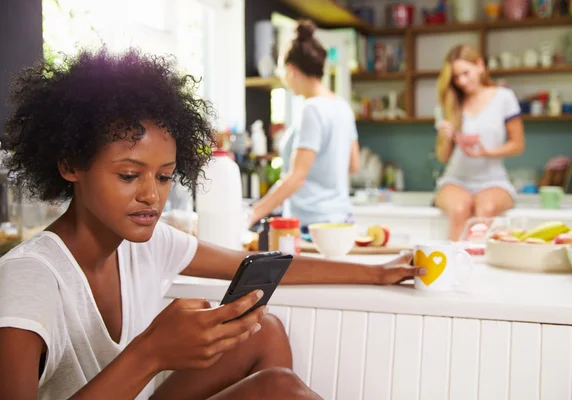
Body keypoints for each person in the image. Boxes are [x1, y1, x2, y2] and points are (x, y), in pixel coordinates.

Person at [0, 47, 425, 400]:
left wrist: (377, 273)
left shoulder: (149, 243)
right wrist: (150, 353)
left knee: (264, 332)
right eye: (129, 175)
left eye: (165, 176)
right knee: (279, 387)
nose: (152, 194)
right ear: (70, 164)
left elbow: (259, 262)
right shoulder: (30, 279)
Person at [249, 20, 360, 228]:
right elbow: (354, 164)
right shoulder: (342, 107)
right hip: (340, 219)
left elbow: (296, 177)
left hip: (312, 224)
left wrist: (252, 214)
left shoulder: (312, 109)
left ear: (291, 69)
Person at [434, 44, 525, 241]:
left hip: (494, 180)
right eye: (456, 77)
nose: (462, 81)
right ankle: (454, 266)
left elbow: (518, 144)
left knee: (486, 209)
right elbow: (442, 157)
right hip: (455, 179)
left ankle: (477, 267)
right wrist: (445, 137)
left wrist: (485, 152)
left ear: (480, 65)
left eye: (466, 73)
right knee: (460, 208)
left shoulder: (504, 98)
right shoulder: (450, 103)